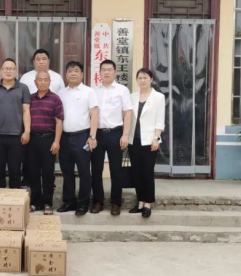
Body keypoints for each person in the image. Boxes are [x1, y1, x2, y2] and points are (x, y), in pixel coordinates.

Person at [91, 60, 133, 216]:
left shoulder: (122, 90)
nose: (106, 72)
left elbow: (127, 113)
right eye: (104, 70)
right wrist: (91, 136)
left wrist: (125, 134)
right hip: (97, 134)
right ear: (100, 73)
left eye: (109, 69)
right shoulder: (93, 91)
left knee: (116, 170)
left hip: (115, 133)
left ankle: (116, 202)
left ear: (115, 72)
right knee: (96, 169)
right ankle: (98, 201)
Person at [57, 61, 99, 216]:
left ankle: (83, 203)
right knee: (67, 171)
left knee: (84, 171)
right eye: (70, 71)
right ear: (66, 74)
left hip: (82, 136)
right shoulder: (61, 93)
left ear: (82, 74)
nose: (73, 73)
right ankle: (69, 201)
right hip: (65, 137)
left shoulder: (89, 92)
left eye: (76, 71)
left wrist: (92, 136)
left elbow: (94, 114)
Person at [0, 59, 31, 189]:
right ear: (1, 71)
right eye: (6, 68)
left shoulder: (23, 88)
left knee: (15, 170)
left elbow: (26, 111)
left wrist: (27, 131)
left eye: (11, 68)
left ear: (16, 71)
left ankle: (14, 198)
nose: (8, 71)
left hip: (17, 136)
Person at [128, 68, 166, 218]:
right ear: (136, 80)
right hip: (133, 140)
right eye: (140, 78)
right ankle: (140, 201)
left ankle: (148, 203)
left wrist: (156, 138)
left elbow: (160, 120)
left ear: (151, 80)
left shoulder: (158, 97)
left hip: (150, 141)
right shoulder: (132, 97)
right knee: (136, 172)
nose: (142, 80)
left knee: (147, 172)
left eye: (145, 78)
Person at [27, 70, 64, 215]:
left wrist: (56, 142)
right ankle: (36, 202)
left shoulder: (55, 99)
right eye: (40, 79)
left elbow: (59, 122)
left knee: (48, 173)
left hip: (49, 139)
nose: (43, 82)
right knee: (33, 172)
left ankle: (48, 202)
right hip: (32, 140)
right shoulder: (30, 99)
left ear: (49, 82)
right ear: (35, 82)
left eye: (45, 79)